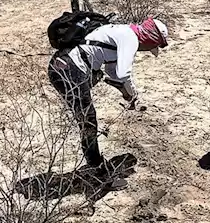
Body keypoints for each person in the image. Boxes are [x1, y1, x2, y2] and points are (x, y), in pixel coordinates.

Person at [48, 15, 169, 183]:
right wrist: (133, 94)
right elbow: (123, 73)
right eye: (151, 47)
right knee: (88, 122)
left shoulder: (121, 31)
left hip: (62, 66)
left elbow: (113, 72)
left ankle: (95, 165)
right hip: (69, 70)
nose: (146, 51)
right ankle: (99, 175)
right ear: (150, 40)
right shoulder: (130, 38)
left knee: (87, 119)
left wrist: (127, 94)